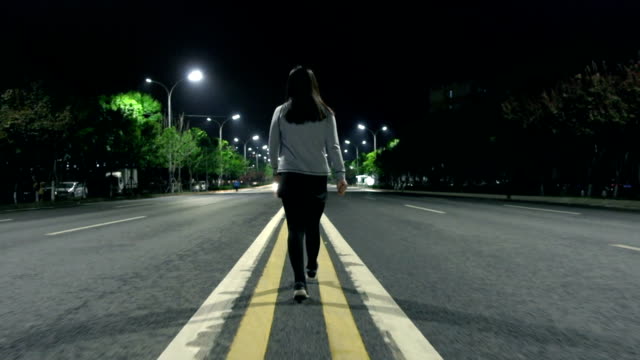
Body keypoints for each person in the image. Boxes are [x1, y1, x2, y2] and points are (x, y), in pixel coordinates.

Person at [269, 66, 348, 302]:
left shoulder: (280, 112)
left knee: (295, 228)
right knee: (313, 225)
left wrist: (275, 170)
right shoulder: (326, 113)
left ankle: (299, 284)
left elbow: (273, 144)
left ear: (290, 86)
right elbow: (333, 146)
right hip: (317, 176)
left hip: (291, 175)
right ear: (314, 85)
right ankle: (312, 264)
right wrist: (340, 174)